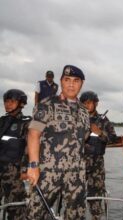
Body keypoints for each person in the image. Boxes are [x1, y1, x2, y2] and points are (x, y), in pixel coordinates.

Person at [26, 65, 90, 220]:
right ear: (61, 81)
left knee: (76, 214)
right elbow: (33, 134)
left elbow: (84, 137)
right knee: (36, 213)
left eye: (76, 81)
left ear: (81, 83)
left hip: (76, 174)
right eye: (67, 80)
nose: (71, 84)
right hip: (49, 172)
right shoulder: (47, 104)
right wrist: (33, 166)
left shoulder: (84, 110)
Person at [80, 91, 116, 220]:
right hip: (78, 164)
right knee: (75, 196)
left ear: (96, 103)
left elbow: (113, 138)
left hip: (97, 165)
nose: (87, 105)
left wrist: (100, 133)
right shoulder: (77, 119)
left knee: (96, 196)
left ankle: (96, 217)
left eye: (89, 103)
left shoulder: (104, 121)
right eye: (84, 103)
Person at [0, 89, 31, 220]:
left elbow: (29, 148)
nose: (8, 104)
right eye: (6, 101)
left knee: (16, 210)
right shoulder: (2, 121)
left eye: (12, 101)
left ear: (21, 104)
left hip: (14, 173)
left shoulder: (27, 122)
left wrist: (24, 170)